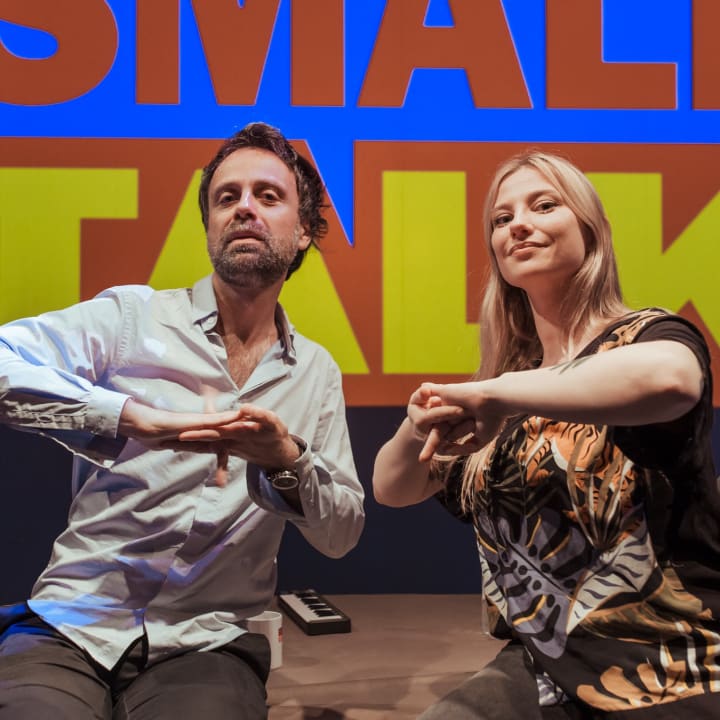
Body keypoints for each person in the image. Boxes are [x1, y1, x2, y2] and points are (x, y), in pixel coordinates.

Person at [0, 122, 365, 719]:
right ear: (209, 226)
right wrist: (131, 417)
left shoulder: (316, 372)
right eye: (227, 197)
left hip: (205, 642)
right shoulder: (131, 319)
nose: (244, 208)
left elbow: (342, 533)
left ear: (303, 231)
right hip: (73, 624)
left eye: (267, 196)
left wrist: (287, 462)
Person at [373, 151, 720, 719]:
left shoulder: (645, 338)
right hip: (543, 667)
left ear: (590, 229)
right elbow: (392, 487)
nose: (518, 225)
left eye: (543, 205)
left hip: (667, 665)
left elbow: (672, 378)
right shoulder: (502, 396)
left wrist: (497, 393)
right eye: (501, 218)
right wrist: (417, 426)